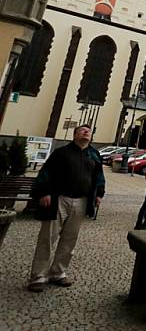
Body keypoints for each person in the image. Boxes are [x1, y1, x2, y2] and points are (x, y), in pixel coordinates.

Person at [27, 124, 105, 292]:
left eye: (88, 131)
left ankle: (58, 272)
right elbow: (46, 172)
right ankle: (39, 275)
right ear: (74, 135)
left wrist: (99, 194)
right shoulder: (62, 153)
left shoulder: (94, 154)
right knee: (48, 237)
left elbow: (99, 176)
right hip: (59, 198)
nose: (86, 133)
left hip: (81, 200)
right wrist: (44, 192)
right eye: (82, 131)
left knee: (70, 239)